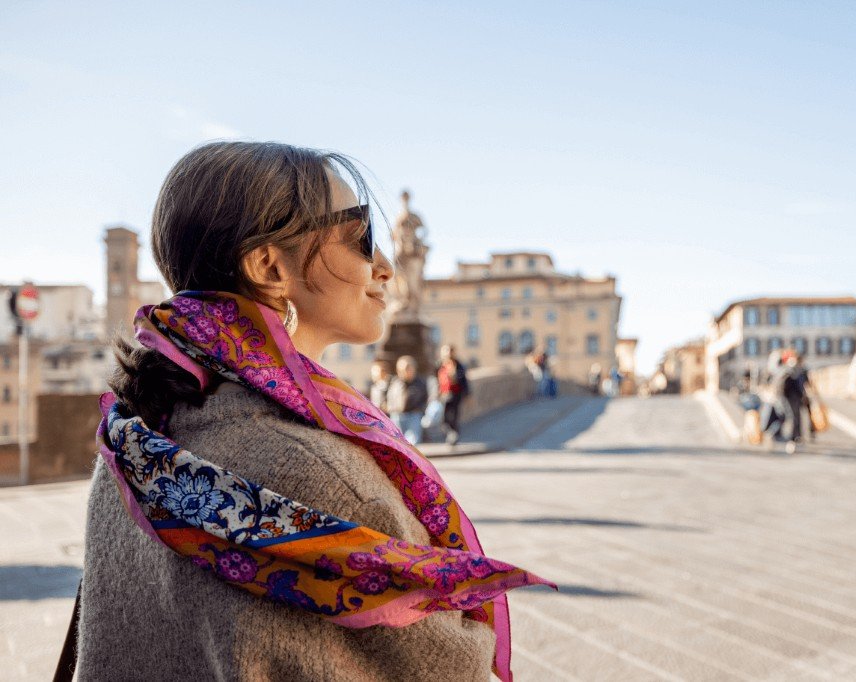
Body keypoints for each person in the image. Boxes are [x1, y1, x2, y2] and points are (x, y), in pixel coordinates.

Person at [77, 141, 548, 681]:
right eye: (361, 238)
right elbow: (456, 663)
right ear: (269, 266)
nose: (386, 267)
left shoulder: (130, 438)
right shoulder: (320, 475)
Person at [387, 355, 429, 444]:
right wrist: (391, 408)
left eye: (407, 368)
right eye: (400, 369)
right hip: (397, 415)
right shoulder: (395, 383)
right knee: (398, 442)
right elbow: (390, 397)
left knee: (412, 442)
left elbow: (425, 398)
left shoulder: (420, 383)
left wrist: (421, 410)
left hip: (414, 415)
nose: (404, 372)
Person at [436, 343, 470, 445]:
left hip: (455, 394)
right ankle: (451, 434)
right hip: (443, 394)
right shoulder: (440, 364)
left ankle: (454, 436)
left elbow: (463, 379)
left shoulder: (458, 365)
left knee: (453, 416)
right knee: (444, 418)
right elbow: (436, 378)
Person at [780, 352, 812, 454]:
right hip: (794, 396)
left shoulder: (791, 369)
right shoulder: (798, 370)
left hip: (792, 396)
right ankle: (795, 436)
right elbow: (804, 383)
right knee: (795, 417)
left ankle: (796, 436)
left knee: (795, 416)